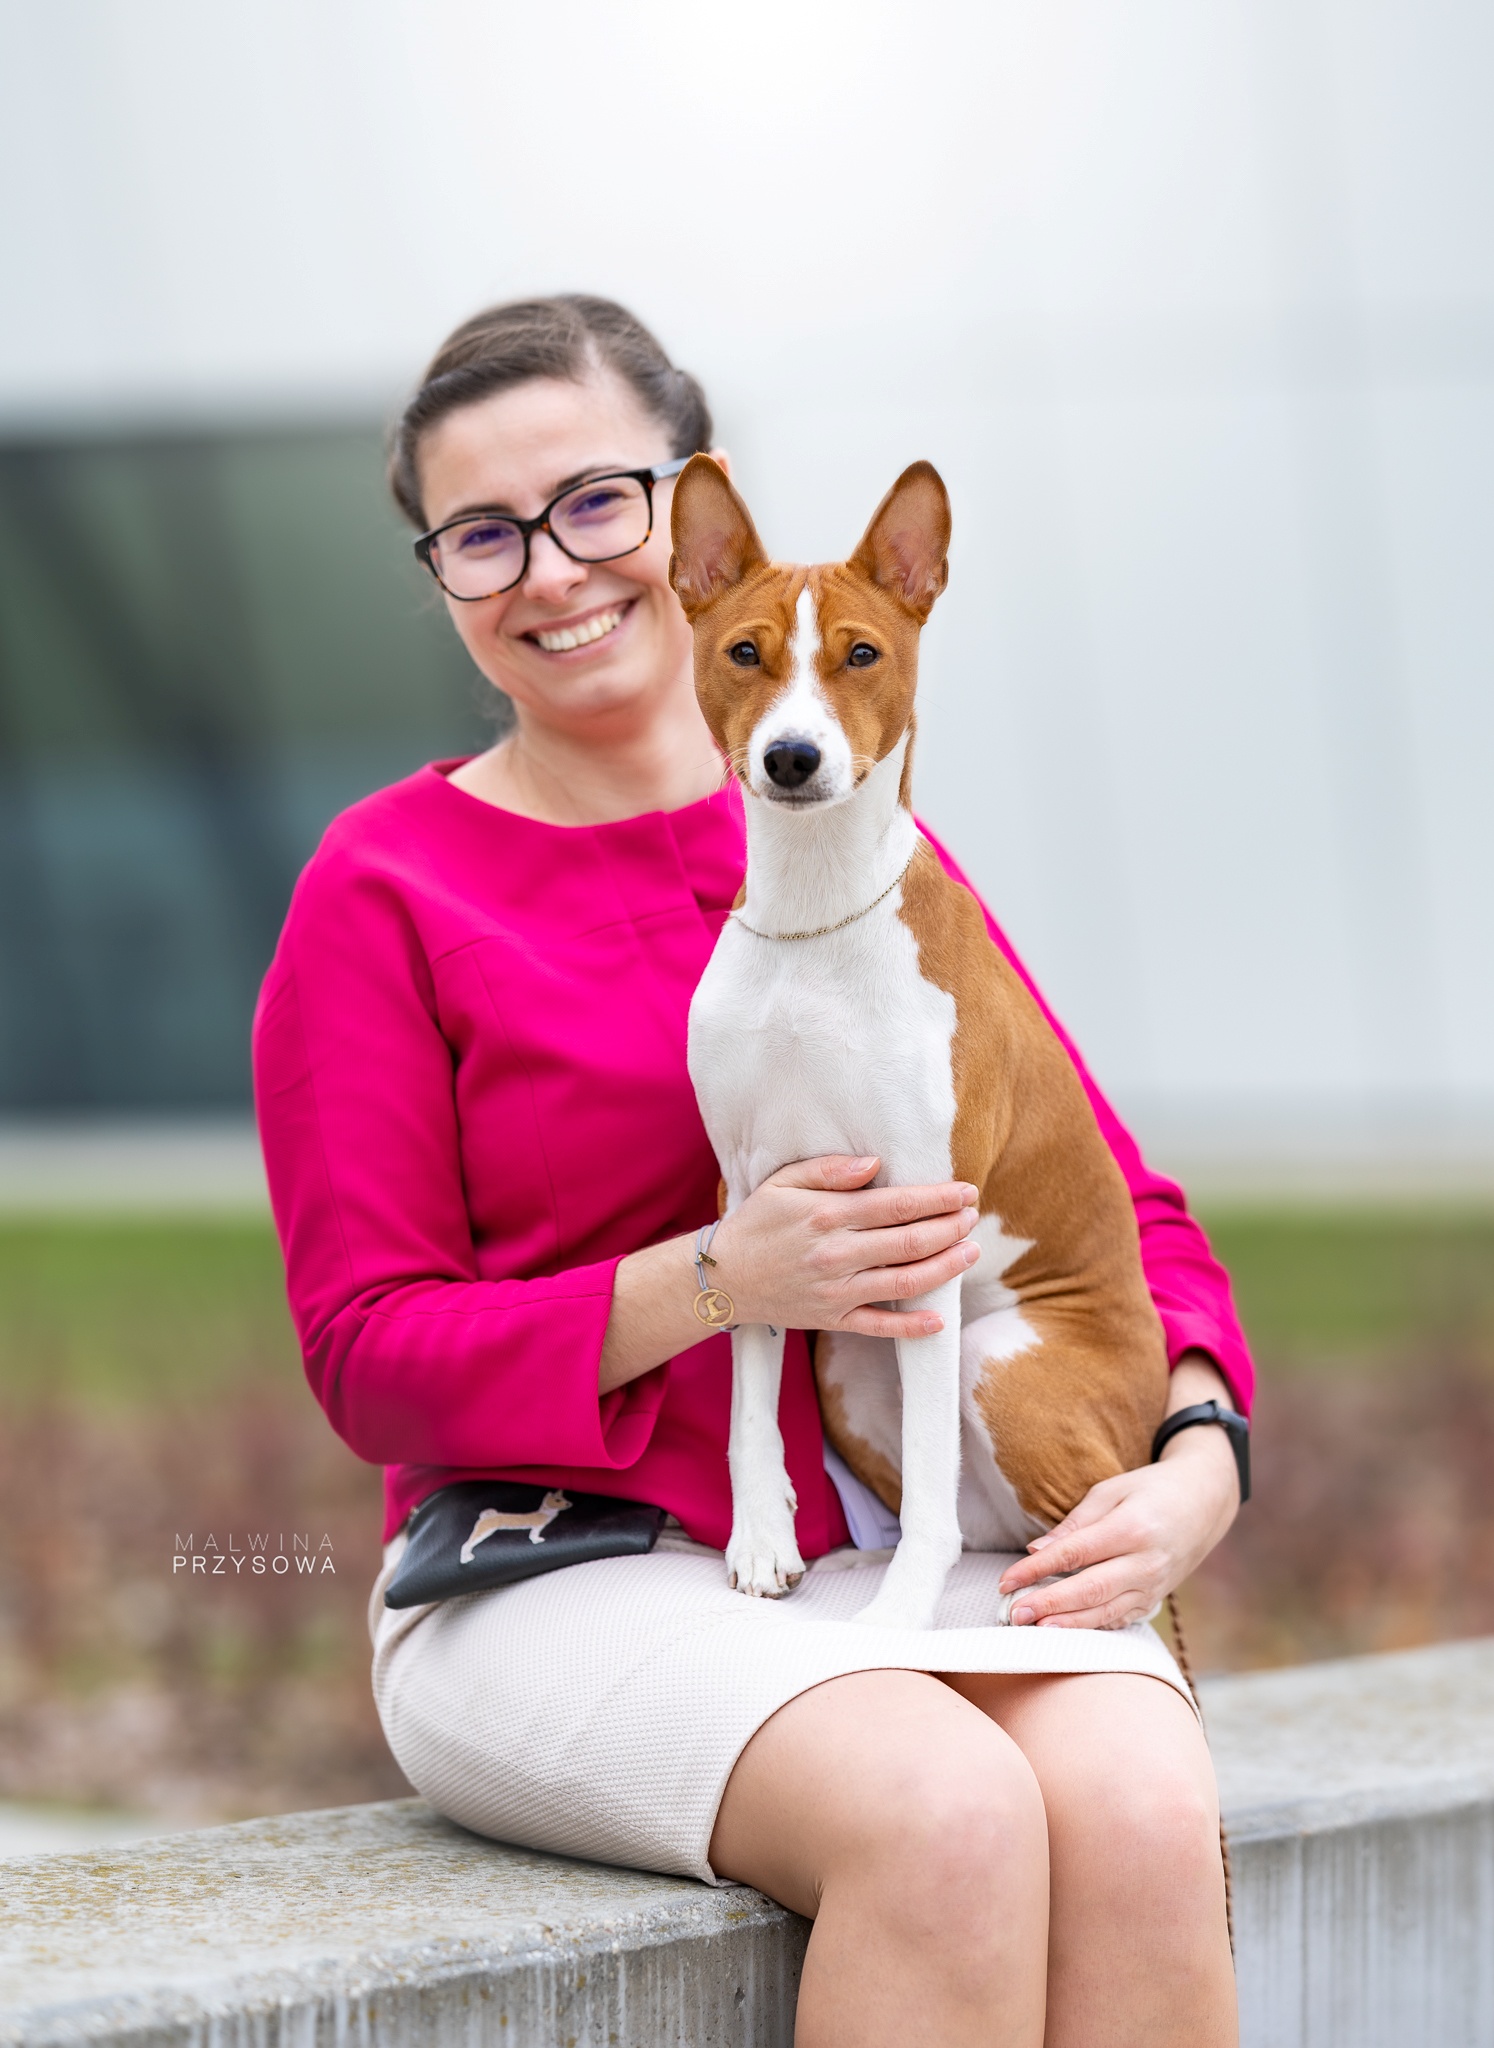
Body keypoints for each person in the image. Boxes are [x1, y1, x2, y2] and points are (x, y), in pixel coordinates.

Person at [254, 294, 1251, 2047]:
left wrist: (1197, 1458)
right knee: (942, 1820)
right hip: (559, 1568)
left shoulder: (864, 843)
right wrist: (716, 1280)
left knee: (1142, 1813)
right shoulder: (383, 886)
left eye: (596, 502)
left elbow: (1110, 1203)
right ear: (442, 578)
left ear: (691, 514)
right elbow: (365, 1352)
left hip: (902, 1535)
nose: (554, 570)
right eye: (483, 534)